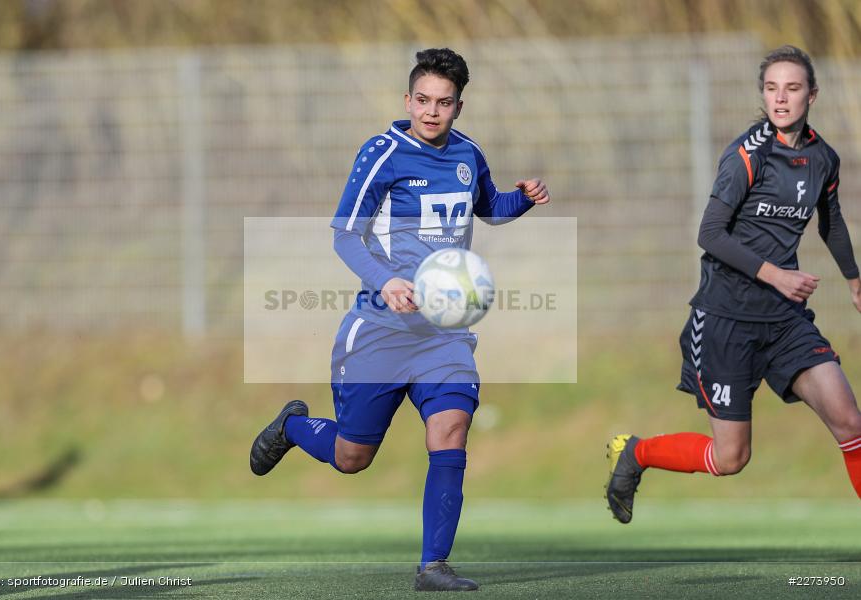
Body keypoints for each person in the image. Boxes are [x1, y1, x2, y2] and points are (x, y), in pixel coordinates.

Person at [250, 48, 550, 590]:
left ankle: (433, 566)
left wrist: (522, 199)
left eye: (444, 102)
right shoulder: (382, 153)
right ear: (407, 100)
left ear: (459, 106)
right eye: (423, 100)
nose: (432, 111)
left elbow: (489, 208)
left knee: (451, 429)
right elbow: (345, 234)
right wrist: (386, 281)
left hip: (444, 333)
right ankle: (293, 426)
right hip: (381, 331)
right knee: (352, 456)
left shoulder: (468, 153)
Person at [605, 45, 861, 524]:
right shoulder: (748, 155)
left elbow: (831, 221)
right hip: (725, 321)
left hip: (784, 322)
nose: (780, 98)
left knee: (851, 423)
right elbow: (709, 233)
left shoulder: (823, 158)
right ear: (762, 95)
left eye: (792, 88)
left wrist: (854, 280)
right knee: (731, 458)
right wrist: (777, 274)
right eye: (771, 88)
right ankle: (637, 453)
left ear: (812, 95)